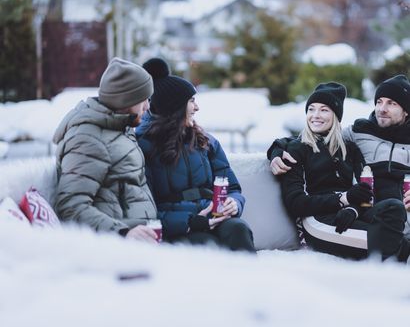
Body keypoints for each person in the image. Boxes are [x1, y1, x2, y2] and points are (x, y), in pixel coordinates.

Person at [269, 75, 410, 262]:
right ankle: (385, 281)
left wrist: (353, 209)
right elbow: (296, 202)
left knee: (394, 207)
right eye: (311, 109)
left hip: (359, 213)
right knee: (392, 241)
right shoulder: (357, 134)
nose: (316, 115)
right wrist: (276, 149)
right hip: (318, 220)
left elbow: (364, 192)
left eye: (324, 110)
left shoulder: (348, 148)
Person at [135, 58, 255, 252]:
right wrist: (192, 221)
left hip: (215, 217)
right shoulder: (143, 146)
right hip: (181, 227)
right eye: (191, 101)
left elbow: (232, 186)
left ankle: (254, 282)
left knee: (238, 230)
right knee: (205, 244)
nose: (197, 107)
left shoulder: (205, 141)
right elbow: (145, 208)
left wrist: (234, 203)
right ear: (174, 108)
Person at [53, 57, 159, 243]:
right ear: (127, 99)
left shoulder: (119, 127)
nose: (147, 106)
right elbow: (71, 206)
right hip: (115, 246)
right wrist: (123, 233)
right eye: (143, 99)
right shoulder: (88, 138)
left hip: (142, 237)